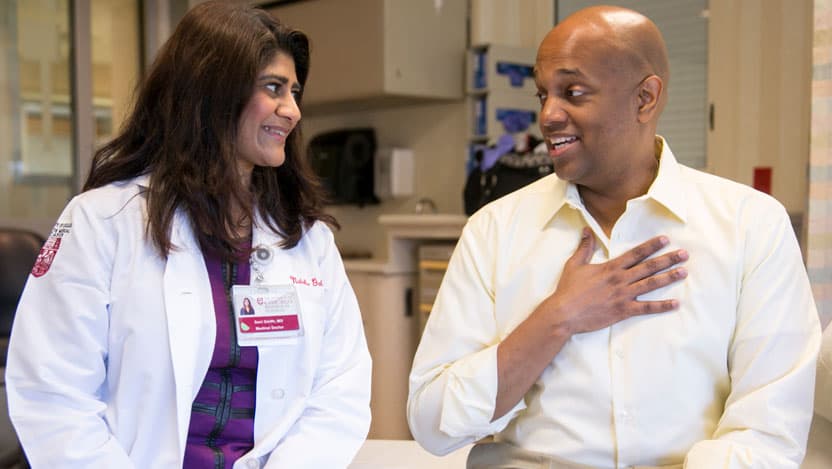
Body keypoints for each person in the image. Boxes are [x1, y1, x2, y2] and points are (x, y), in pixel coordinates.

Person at [408, 6, 821, 468]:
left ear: (645, 98)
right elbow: (432, 422)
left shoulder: (751, 226)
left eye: (573, 92)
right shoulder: (494, 230)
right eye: (543, 94)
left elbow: (767, 433)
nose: (547, 115)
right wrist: (557, 318)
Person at [5, 2, 371, 468]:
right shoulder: (103, 221)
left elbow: (341, 386)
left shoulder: (306, 239)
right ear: (213, 92)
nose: (293, 110)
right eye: (274, 88)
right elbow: (52, 392)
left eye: (295, 91)